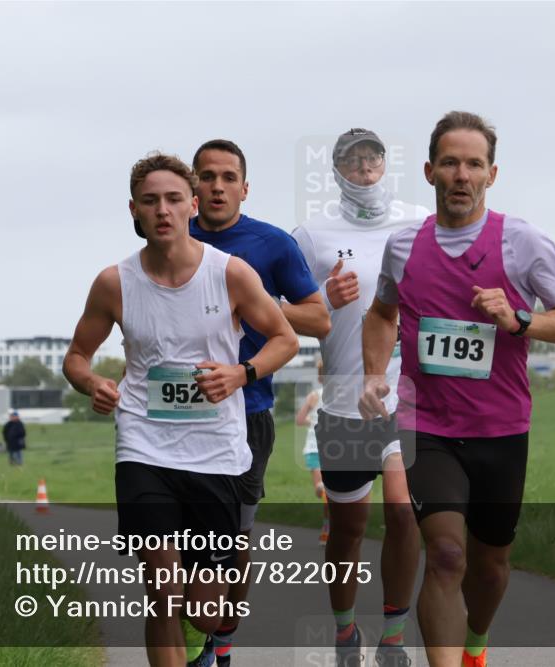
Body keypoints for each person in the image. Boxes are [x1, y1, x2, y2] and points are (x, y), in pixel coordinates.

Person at [359, 111, 555, 667]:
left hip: (501, 430)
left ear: (492, 174)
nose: (461, 174)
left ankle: (476, 645)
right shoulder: (402, 247)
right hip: (427, 426)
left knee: (489, 567)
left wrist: (519, 317)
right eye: (449, 163)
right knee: (444, 554)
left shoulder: (522, 242)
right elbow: (380, 313)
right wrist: (374, 375)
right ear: (429, 171)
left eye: (473, 164)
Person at [62, 152, 298, 667]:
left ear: (192, 205)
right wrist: (93, 383)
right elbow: (76, 358)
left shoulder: (231, 274)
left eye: (173, 199)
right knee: (164, 592)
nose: (162, 210)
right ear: (135, 210)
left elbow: (285, 338)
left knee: (205, 609)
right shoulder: (113, 283)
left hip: (216, 451)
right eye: (151, 201)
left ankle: (215, 633)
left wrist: (242, 372)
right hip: (144, 445)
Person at [187, 138, 330, 667]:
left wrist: (259, 305)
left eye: (228, 177)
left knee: (234, 537)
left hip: (246, 411)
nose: (217, 186)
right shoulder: (169, 238)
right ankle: (183, 630)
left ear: (245, 187)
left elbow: (318, 319)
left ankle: (219, 645)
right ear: (192, 185)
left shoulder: (271, 244)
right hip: (173, 413)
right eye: (207, 176)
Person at [292, 128, 430, 666]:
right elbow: (274, 311)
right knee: (347, 529)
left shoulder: (419, 222)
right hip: (345, 399)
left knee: (402, 511)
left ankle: (394, 637)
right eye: (353, 162)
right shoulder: (311, 235)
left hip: (406, 396)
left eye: (373, 159)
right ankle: (346, 631)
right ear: (337, 173)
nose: (365, 170)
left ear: (385, 164)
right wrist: (322, 299)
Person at [295, 359, 329, 545]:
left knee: (322, 491)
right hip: (327, 449)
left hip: (314, 448)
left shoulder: (314, 396)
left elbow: (299, 420)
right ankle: (327, 526)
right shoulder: (339, 397)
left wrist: (311, 421)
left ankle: (327, 527)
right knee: (326, 491)